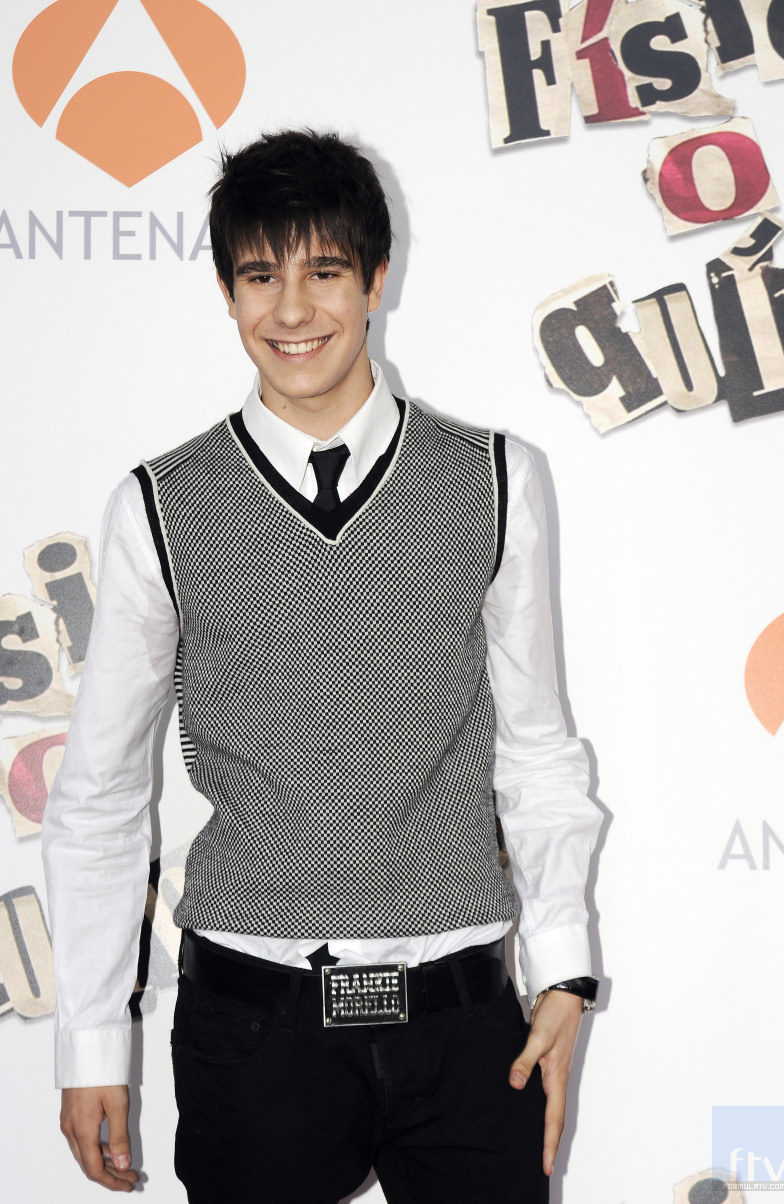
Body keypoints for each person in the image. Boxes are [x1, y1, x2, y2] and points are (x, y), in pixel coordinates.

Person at [41, 128, 603, 1203]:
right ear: (226, 291)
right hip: (253, 1029)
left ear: (376, 279)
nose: (292, 310)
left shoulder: (495, 479)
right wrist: (90, 1042)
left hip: (467, 1025)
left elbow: (536, 748)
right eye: (260, 276)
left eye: (325, 272)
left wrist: (564, 969)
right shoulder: (162, 505)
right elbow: (102, 792)